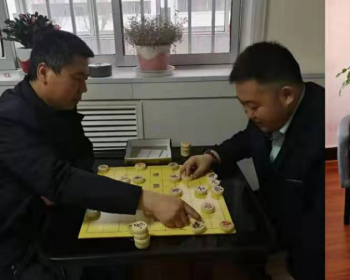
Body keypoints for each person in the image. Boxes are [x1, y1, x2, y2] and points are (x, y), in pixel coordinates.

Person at [0, 30, 200, 279]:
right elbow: (60, 179)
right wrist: (148, 200)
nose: (84, 89)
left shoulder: (57, 106)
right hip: (19, 248)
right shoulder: (7, 118)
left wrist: (57, 188)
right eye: (77, 78)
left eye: (85, 79)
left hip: (58, 217)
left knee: (121, 260)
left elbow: (81, 160)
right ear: (43, 72)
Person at [181, 42, 324, 280]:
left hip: (308, 244)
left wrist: (290, 268)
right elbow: (248, 138)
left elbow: (319, 225)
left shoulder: (323, 130)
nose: (248, 114)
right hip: (271, 216)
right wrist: (210, 156)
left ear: (287, 95)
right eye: (244, 106)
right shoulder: (267, 116)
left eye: (253, 107)